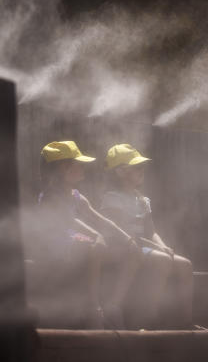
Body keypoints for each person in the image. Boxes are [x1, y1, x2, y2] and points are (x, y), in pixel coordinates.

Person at [32, 140, 143, 329]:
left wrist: (127, 238)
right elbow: (68, 221)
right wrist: (95, 235)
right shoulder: (51, 195)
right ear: (64, 169)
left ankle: (114, 304)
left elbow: (100, 219)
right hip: (55, 243)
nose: (84, 168)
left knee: (133, 252)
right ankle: (94, 307)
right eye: (79, 164)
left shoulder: (75, 195)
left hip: (73, 238)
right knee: (96, 245)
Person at [100, 143, 196, 328]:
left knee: (185, 265)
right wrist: (155, 248)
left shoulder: (142, 200)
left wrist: (162, 245)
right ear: (120, 172)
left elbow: (150, 231)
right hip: (124, 247)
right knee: (162, 260)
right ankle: (146, 315)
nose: (142, 170)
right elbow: (118, 232)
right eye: (137, 167)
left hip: (142, 245)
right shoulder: (112, 198)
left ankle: (186, 321)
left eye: (142, 167)